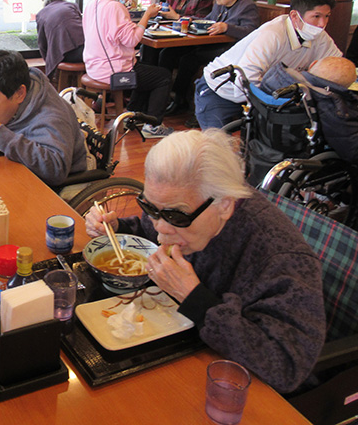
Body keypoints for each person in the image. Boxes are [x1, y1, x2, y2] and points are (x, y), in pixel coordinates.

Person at [84, 129, 325, 394]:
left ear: (224, 205)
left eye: (176, 216)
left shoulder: (280, 258)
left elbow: (285, 368)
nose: (161, 229)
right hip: (175, 348)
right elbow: (151, 232)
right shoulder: (181, 209)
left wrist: (194, 299)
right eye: (151, 208)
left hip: (238, 389)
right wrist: (118, 228)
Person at [195, 0, 342, 129]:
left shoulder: (320, 37)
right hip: (220, 91)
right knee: (217, 147)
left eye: (327, 16)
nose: (322, 24)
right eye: (316, 16)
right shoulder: (273, 34)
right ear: (295, 16)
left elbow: (337, 66)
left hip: (259, 96)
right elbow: (246, 78)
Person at [0, 49, 88, 187]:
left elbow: (56, 170)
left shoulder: (51, 116)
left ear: (20, 94)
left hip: (57, 186)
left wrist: (1, 136)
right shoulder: (20, 89)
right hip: (22, 171)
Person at [82, 0, 174, 138]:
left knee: (143, 69)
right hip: (114, 73)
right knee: (163, 76)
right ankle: (153, 126)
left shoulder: (92, 4)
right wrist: (146, 16)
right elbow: (132, 40)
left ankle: (133, 114)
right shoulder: (116, 7)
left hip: (93, 67)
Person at [160, 0, 260, 115]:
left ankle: (179, 99)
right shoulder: (219, 5)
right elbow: (207, 21)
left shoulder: (247, 7)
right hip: (209, 44)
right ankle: (164, 97)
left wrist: (227, 28)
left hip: (229, 50)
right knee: (168, 53)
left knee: (188, 60)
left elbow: (252, 32)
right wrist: (184, 20)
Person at [260, 57, 358, 166]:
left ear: (313, 64)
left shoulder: (277, 77)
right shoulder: (331, 105)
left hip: (265, 144)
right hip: (306, 156)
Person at [35, 0, 85, 78]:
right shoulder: (71, 5)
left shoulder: (41, 14)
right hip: (85, 51)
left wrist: (48, 61)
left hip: (64, 55)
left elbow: (42, 43)